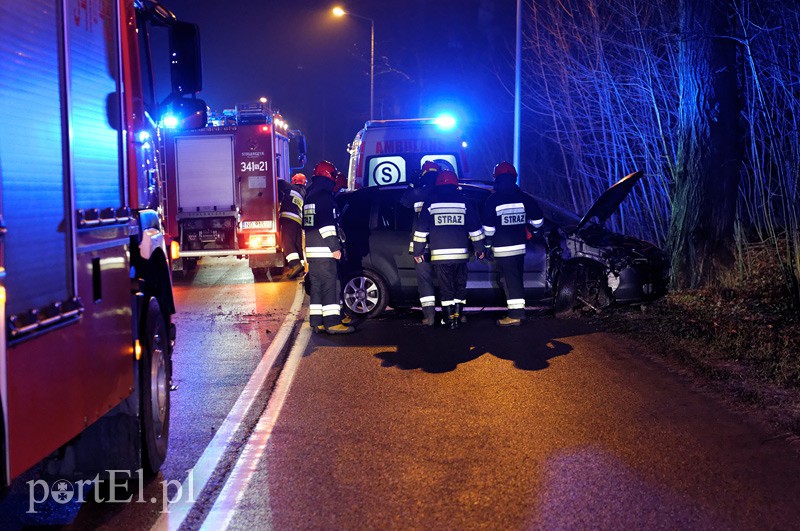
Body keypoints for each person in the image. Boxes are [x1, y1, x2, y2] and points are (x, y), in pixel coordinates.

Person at [413, 170, 485, 329]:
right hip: (461, 256)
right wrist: (480, 249)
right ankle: (458, 317)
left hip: (440, 257)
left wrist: (418, 251)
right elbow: (475, 229)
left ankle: (449, 320)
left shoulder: (431, 201)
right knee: (460, 286)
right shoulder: (464, 201)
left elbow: (422, 230)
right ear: (455, 183)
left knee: (446, 288)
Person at [481, 161, 544, 326]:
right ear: (514, 177)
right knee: (515, 279)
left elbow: (488, 228)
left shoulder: (493, 199)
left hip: (502, 248)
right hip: (520, 247)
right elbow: (538, 219)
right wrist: (534, 230)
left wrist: (487, 245)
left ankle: (516, 315)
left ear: (497, 178)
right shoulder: (524, 198)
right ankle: (517, 312)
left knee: (509, 281)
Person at [303, 161, 355, 334]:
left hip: (312, 250)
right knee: (331, 286)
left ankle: (317, 322)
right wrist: (335, 247)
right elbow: (326, 225)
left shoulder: (310, 196)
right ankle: (333, 323)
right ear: (329, 176)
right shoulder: (325, 197)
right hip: (325, 250)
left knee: (317, 287)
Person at [400, 160, 440, 325]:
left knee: (425, 282)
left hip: (420, 247)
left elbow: (403, 202)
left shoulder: (417, 193)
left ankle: (429, 316)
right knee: (447, 281)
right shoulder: (442, 193)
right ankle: (452, 314)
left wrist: (412, 183)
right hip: (440, 245)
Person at [280, 172, 307, 279]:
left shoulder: (290, 187)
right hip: (298, 221)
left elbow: (279, 183)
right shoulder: (304, 193)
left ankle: (295, 265)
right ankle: (301, 267)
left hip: (288, 219)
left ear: (294, 181)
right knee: (297, 244)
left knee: (287, 243)